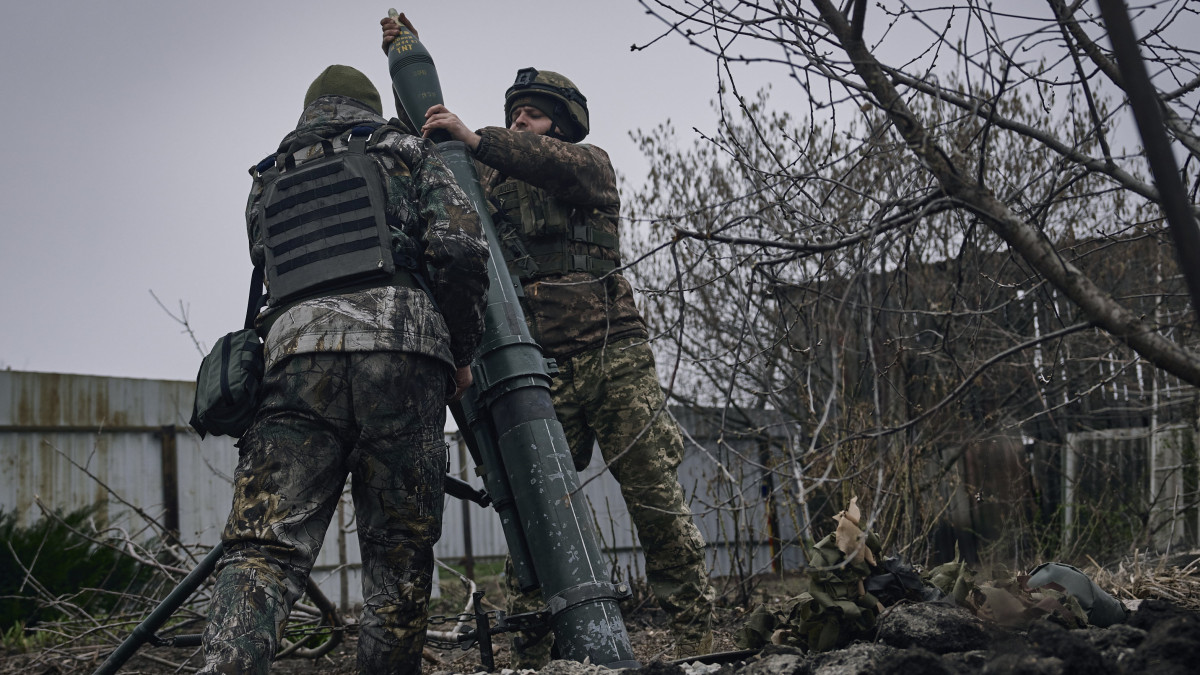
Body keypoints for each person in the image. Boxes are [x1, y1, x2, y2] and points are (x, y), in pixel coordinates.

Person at [380, 17, 717, 666]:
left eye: (532, 116)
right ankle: (537, 645)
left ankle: (696, 635)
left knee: (655, 501)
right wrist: (407, 64)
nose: (521, 125)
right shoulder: (491, 180)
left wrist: (479, 138)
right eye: (517, 116)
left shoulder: (587, 168)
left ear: (560, 124)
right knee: (535, 507)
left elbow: (532, 158)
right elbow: (436, 153)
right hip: (543, 371)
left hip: (613, 357)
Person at [197, 64, 490, 675]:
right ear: (369, 108)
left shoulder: (266, 181)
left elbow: (269, 266)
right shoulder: (405, 152)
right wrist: (461, 352)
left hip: (295, 362)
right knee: (399, 552)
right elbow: (461, 251)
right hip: (404, 354)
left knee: (262, 548)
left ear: (309, 113)